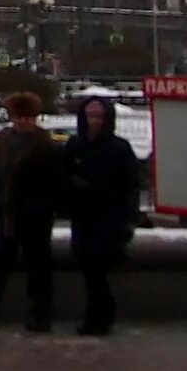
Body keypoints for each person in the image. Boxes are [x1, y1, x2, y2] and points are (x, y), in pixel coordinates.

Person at [0, 92, 67, 332]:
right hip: (6, 215)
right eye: (18, 116)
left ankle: (40, 317)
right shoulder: (4, 140)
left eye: (27, 116)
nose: (23, 121)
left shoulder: (46, 146)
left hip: (35, 218)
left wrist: (41, 207)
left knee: (38, 270)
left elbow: (55, 184)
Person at [63, 95, 142, 336]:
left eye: (98, 117)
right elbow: (62, 175)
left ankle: (99, 317)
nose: (94, 122)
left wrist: (128, 219)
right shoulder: (75, 145)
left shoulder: (118, 148)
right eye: (90, 116)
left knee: (97, 272)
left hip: (108, 219)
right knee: (90, 272)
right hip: (83, 217)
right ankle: (98, 316)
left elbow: (130, 186)